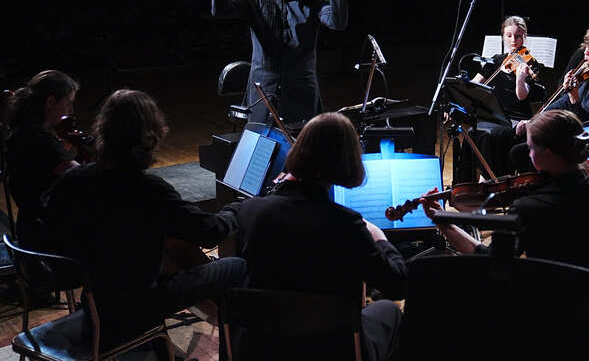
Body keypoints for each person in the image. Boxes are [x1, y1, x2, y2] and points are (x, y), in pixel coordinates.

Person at [43, 90, 246, 350]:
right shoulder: (149, 190)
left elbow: (49, 224)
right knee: (236, 266)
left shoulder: (75, 179)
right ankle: (238, 348)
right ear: (151, 136)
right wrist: (237, 210)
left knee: (168, 249)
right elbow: (211, 232)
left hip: (96, 304)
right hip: (140, 307)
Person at [233, 112, 405, 361]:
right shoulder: (347, 224)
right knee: (389, 310)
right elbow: (397, 284)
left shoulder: (250, 211)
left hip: (264, 346)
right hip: (331, 348)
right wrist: (379, 238)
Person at [423, 110, 589, 268]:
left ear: (548, 154)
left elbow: (491, 261)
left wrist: (444, 223)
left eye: (531, 148)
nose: (528, 154)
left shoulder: (529, 208)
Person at [211, 0, 348, 124]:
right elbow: (220, 10)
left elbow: (338, 22)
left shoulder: (315, 1)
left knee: (301, 142)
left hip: (302, 95)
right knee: (261, 141)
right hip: (262, 95)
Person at [452, 16, 546, 184]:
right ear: (503, 37)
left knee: (490, 135)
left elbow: (522, 96)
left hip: (516, 119)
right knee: (472, 132)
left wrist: (520, 79)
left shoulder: (530, 64)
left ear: (524, 36)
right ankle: (466, 184)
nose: (513, 40)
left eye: (518, 36)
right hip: (495, 116)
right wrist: (461, 88)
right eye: (509, 35)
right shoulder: (496, 60)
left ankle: (488, 181)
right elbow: (474, 84)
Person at [4, 70, 81, 244]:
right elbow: (79, 174)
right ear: (50, 102)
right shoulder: (39, 139)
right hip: (47, 233)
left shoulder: (23, 129)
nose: (70, 110)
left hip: (29, 224)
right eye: (68, 103)